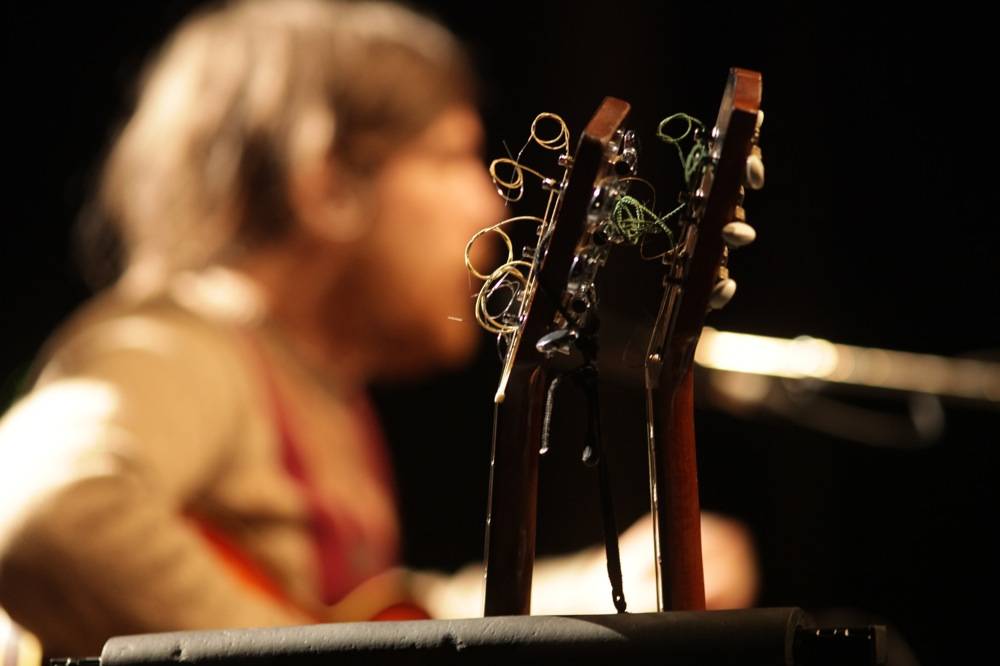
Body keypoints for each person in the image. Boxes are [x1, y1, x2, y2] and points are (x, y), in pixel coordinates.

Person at [0, 0, 758, 657]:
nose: (488, 206)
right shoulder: (179, 344)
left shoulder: (320, 387)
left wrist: (587, 591)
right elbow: (43, 515)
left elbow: (362, 616)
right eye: (452, 155)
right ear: (326, 183)